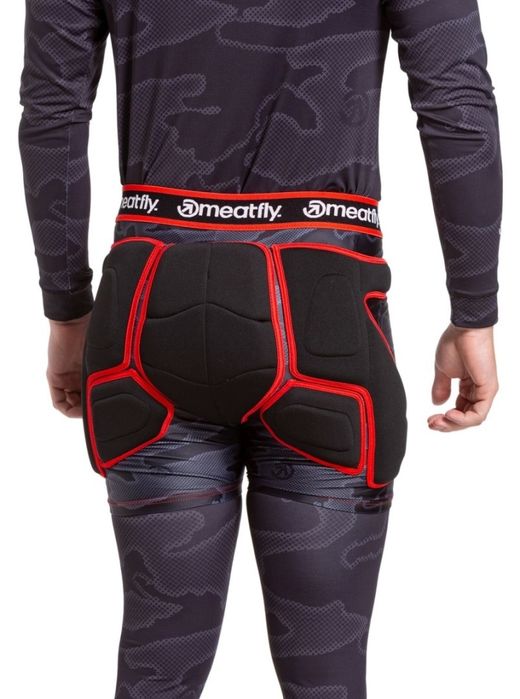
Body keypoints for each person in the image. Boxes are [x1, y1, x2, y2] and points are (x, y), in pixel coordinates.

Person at [18, 1, 501, 697]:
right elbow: (456, 98)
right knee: (327, 673)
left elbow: (53, 110)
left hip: (150, 309)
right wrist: (473, 314)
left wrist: (66, 309)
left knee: (160, 659)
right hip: (323, 318)